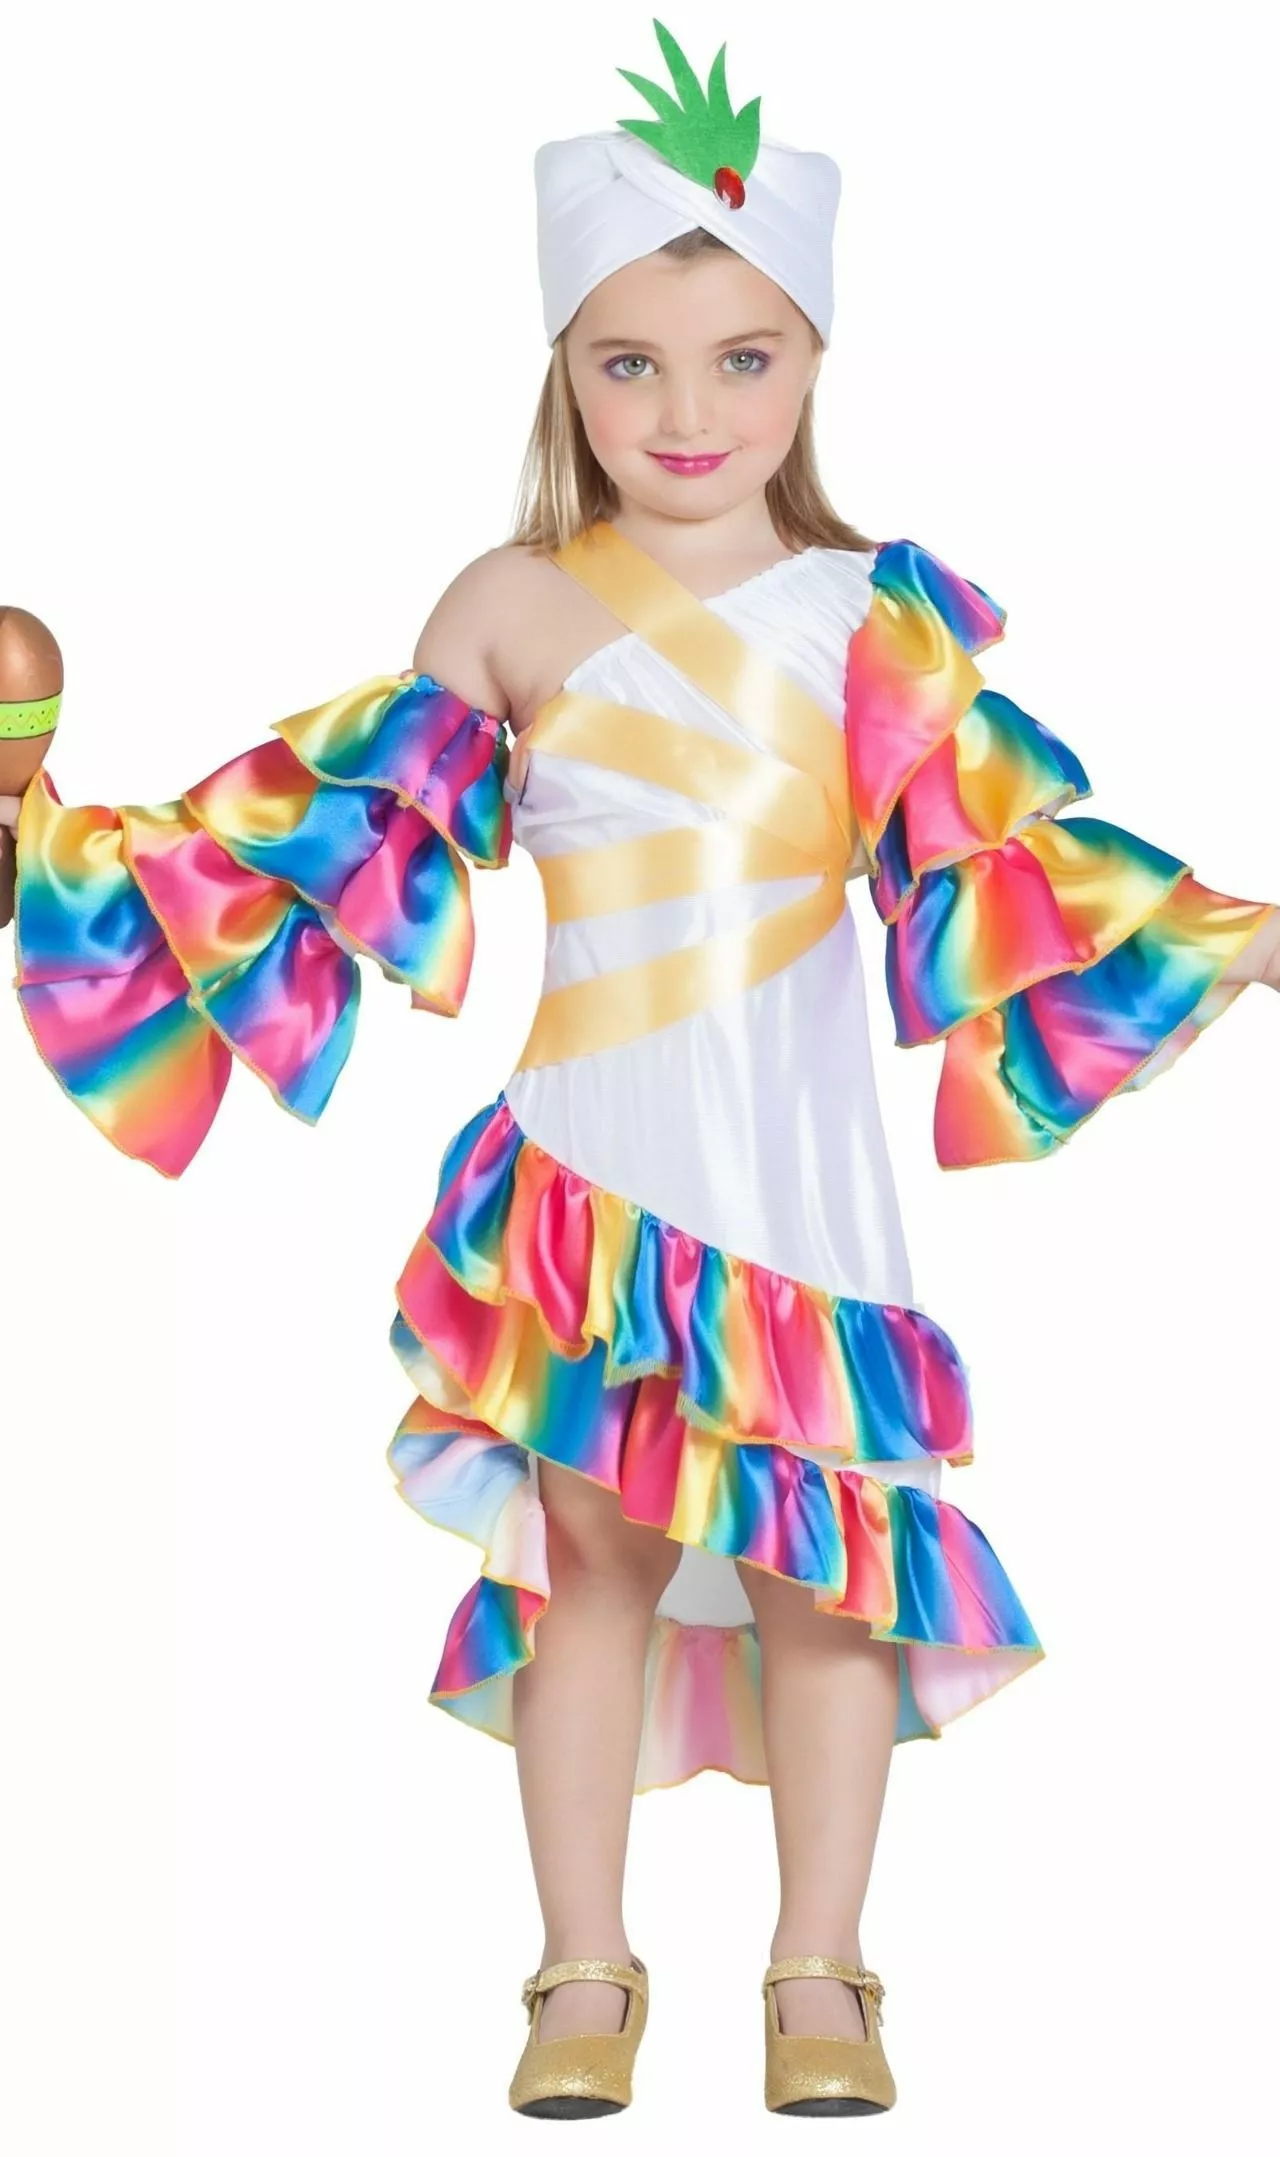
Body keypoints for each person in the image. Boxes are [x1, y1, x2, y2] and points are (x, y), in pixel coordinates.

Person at [3, 18, 1277, 2124]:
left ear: (814, 361)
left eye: (742, 359)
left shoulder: (874, 617)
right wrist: (68, 852)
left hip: (795, 1169)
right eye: (630, 364)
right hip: (592, 1162)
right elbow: (320, 839)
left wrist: (1231, 933)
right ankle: (579, 1966)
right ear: (563, 375)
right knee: (586, 1553)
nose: (688, 414)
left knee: (822, 1567)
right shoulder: (510, 603)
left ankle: (822, 1969)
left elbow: (1015, 869)